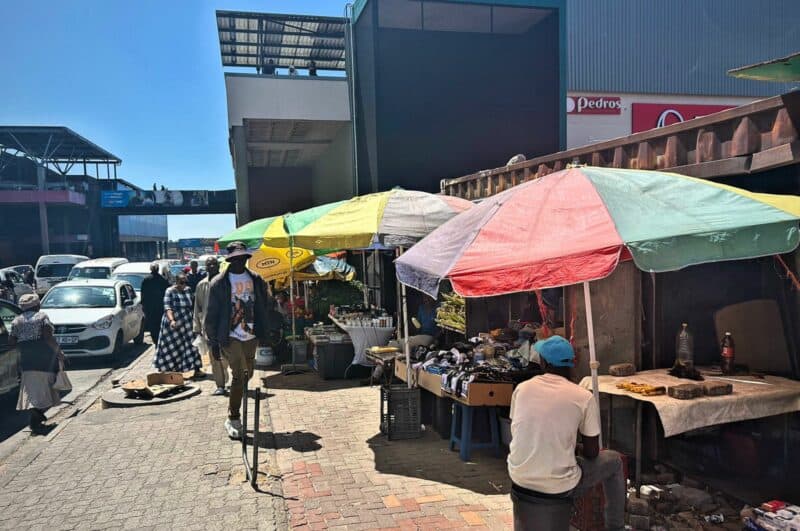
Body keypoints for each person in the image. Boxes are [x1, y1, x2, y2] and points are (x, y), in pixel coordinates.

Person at [508, 336, 625, 531]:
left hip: (519, 477)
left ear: (544, 362)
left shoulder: (522, 389)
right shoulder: (582, 396)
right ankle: (616, 526)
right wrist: (574, 447)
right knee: (615, 461)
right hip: (558, 486)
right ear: (572, 364)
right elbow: (592, 453)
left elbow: (525, 432)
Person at [204, 241, 272, 439]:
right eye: (236, 258)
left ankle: (235, 402)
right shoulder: (219, 283)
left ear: (246, 258)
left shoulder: (256, 279)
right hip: (230, 335)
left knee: (248, 373)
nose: (239, 261)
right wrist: (213, 342)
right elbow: (211, 313)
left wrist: (266, 329)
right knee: (239, 375)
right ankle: (233, 417)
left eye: (243, 258)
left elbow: (264, 304)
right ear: (230, 260)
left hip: (251, 335)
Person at [8, 294, 61, 435]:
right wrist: (59, 353)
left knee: (33, 391)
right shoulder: (42, 317)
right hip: (44, 358)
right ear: (37, 305)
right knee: (47, 390)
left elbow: (11, 341)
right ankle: (36, 419)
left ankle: (36, 417)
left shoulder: (16, 321)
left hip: (27, 361)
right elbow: (48, 337)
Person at [153, 274, 204, 377]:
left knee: (192, 345)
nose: (184, 285)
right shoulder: (169, 291)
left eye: (185, 282)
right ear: (176, 282)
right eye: (181, 282)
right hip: (173, 324)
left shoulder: (188, 290)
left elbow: (194, 305)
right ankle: (172, 371)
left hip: (187, 322)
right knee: (173, 347)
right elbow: (167, 307)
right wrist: (172, 320)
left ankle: (197, 369)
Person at [194, 257, 227, 396]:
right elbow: (197, 308)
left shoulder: (226, 282)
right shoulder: (202, 285)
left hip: (226, 325)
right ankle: (220, 384)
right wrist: (197, 329)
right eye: (209, 264)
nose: (212, 266)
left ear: (219, 266)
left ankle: (225, 375)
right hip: (209, 327)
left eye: (214, 264)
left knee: (226, 356)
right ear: (206, 268)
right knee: (214, 358)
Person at [140, 263, 169, 344]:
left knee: (152, 325)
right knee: (159, 324)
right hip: (160, 307)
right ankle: (160, 339)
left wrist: (143, 304)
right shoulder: (162, 279)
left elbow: (143, 293)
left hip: (151, 307)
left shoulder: (146, 280)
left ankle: (156, 340)